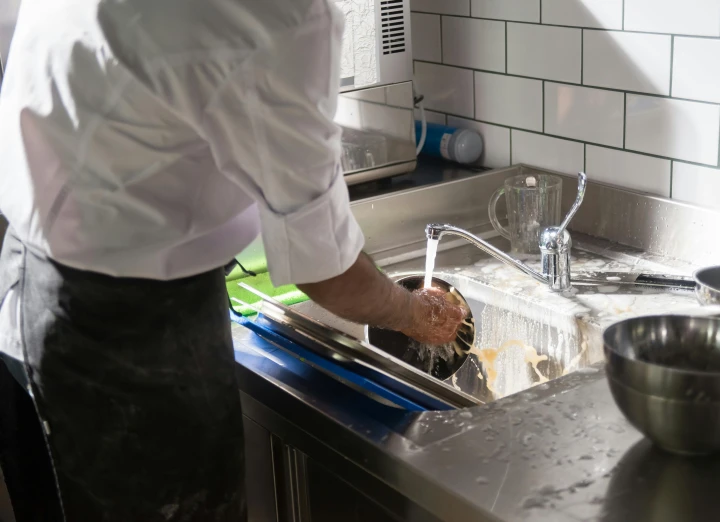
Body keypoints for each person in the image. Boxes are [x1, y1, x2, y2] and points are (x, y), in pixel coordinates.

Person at [0, 0, 466, 520]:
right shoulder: (282, 16)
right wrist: (410, 311)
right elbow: (326, 270)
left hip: (26, 281)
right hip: (128, 335)